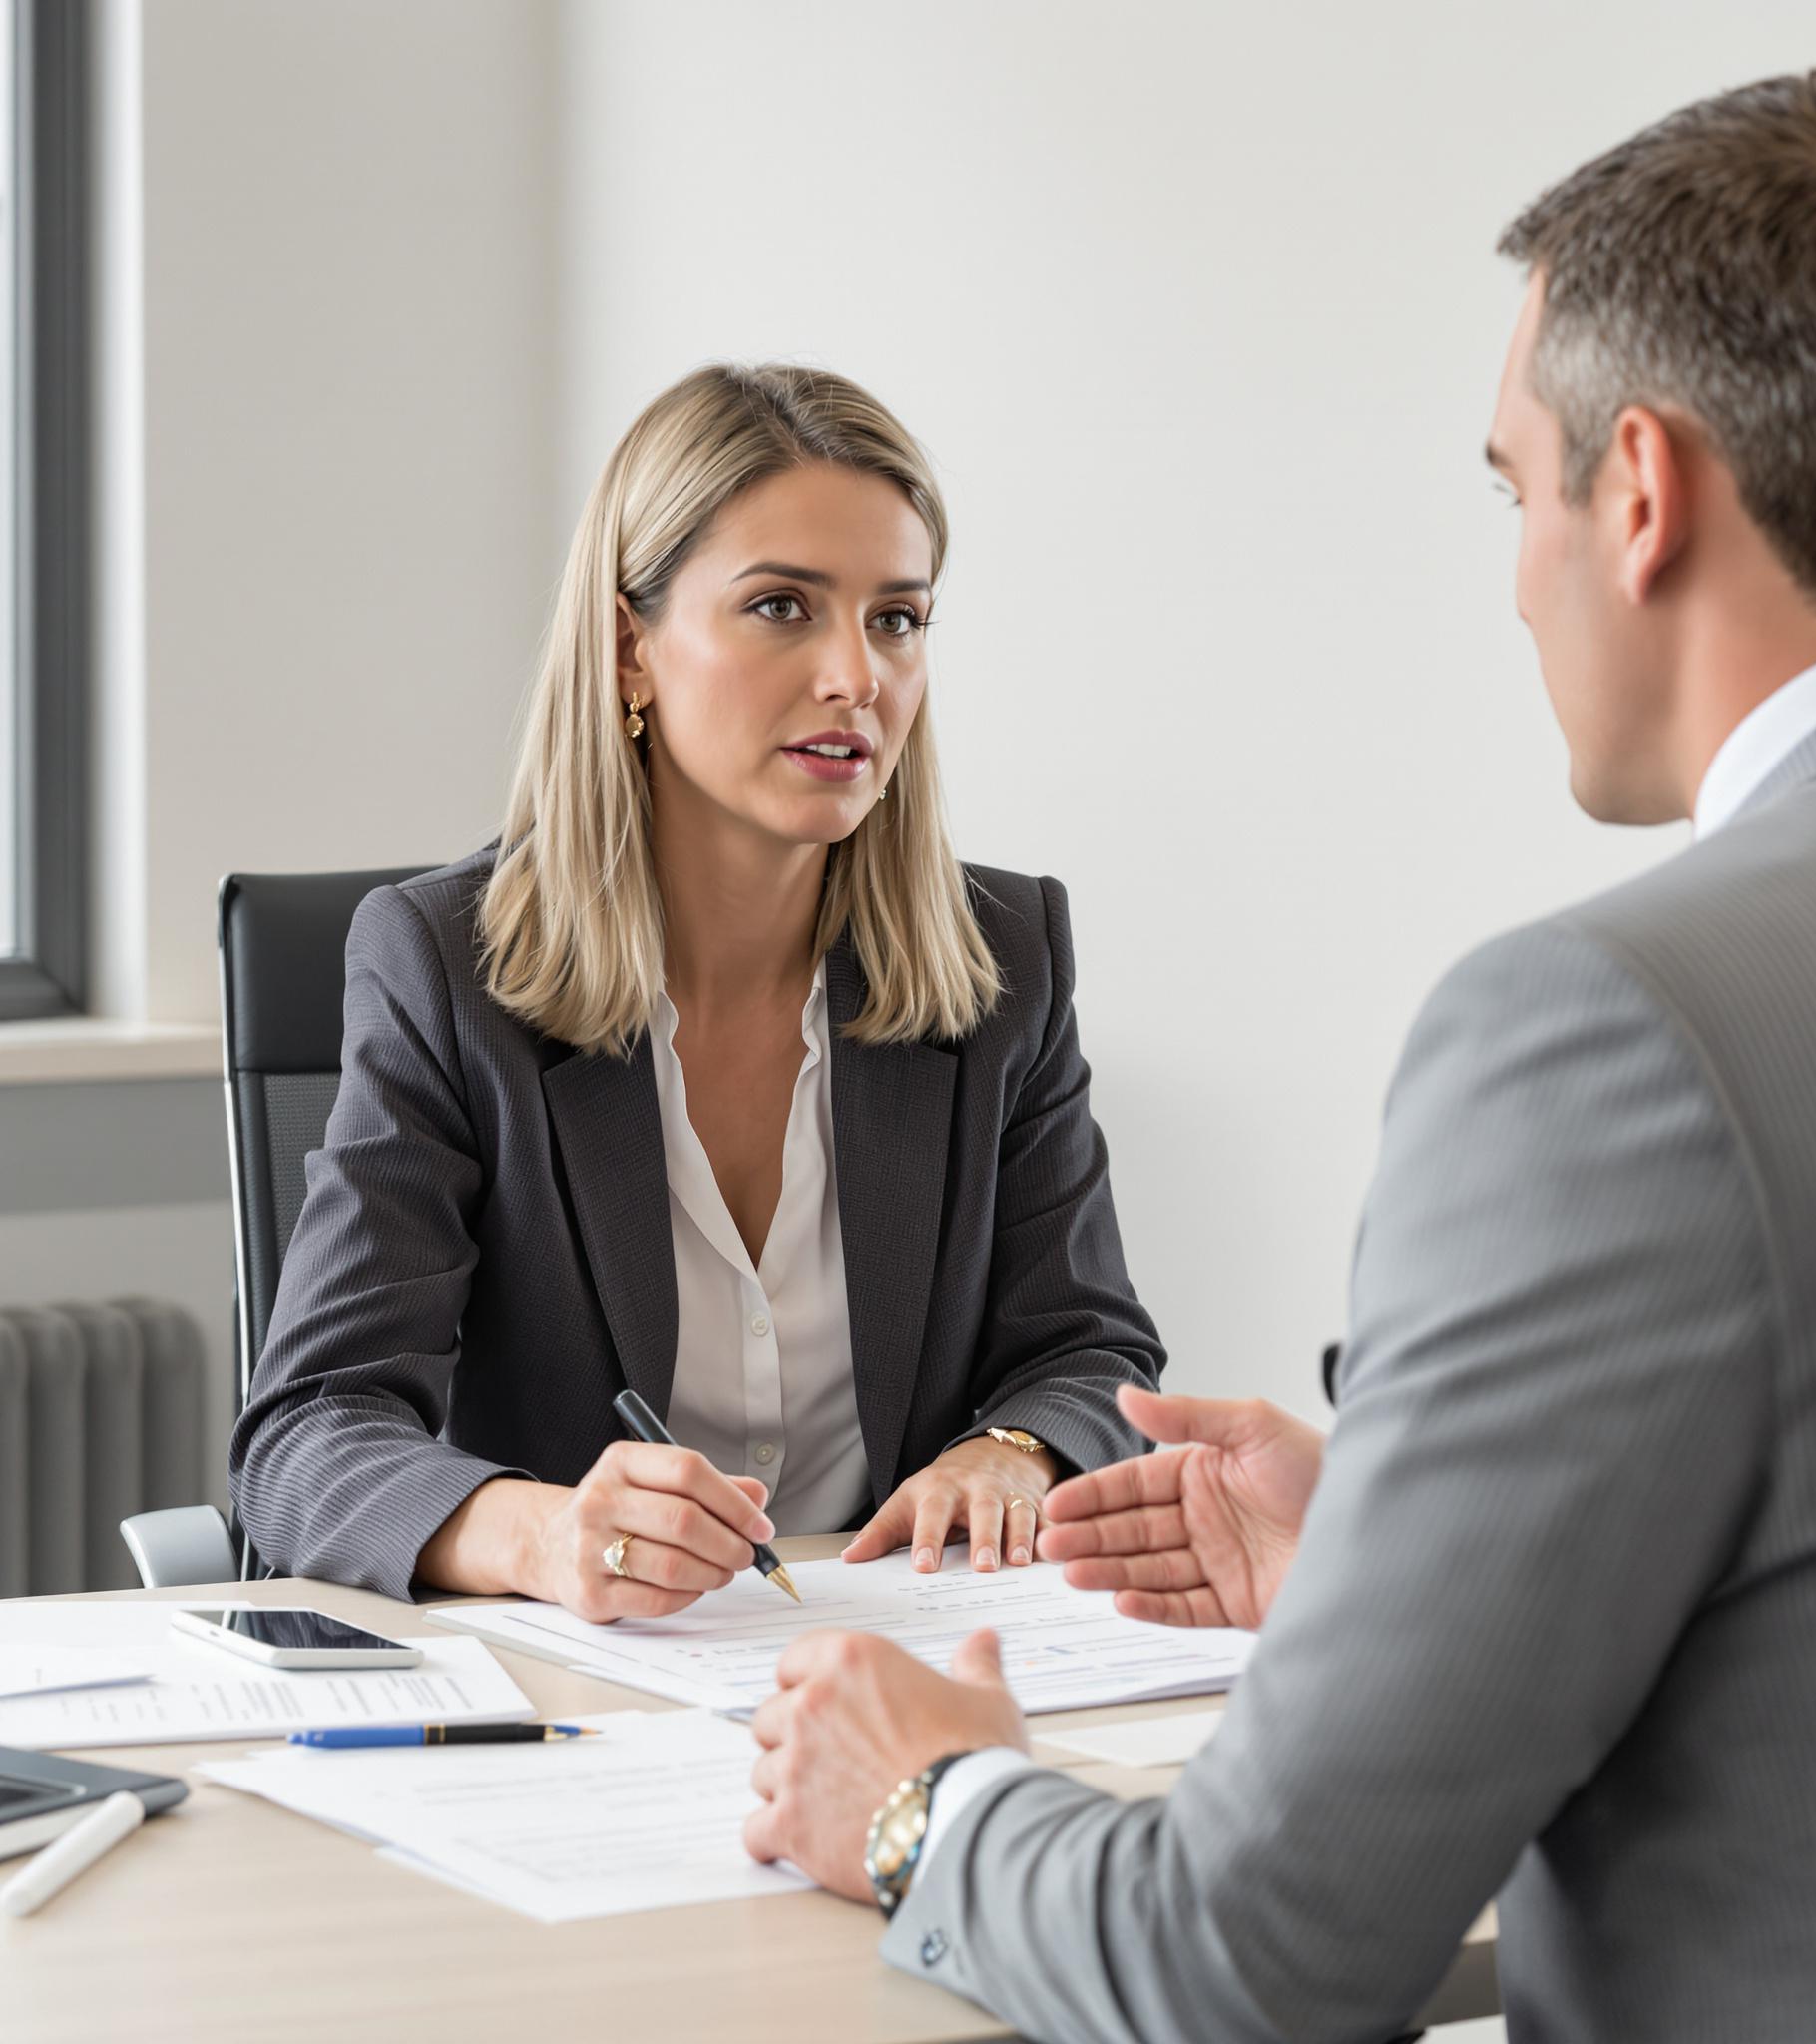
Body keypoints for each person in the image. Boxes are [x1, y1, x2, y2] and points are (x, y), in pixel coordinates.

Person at [740, 72, 1816, 2042]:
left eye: (1515, 486)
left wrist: (922, 1796)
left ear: (1642, 493)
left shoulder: (1605, 1029)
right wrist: (1414, 1544)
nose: (1518, 569)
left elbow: (1250, 1955)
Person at [229, 365, 1164, 1617]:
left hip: (895, 1663)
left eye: (897, 618)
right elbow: (305, 1434)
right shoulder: (444, 966)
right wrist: (542, 1534)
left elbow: (1092, 1354)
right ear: (630, 647)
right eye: (783, 606)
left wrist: (1013, 1452)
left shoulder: (1004, 958)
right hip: (577, 1692)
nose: (856, 676)